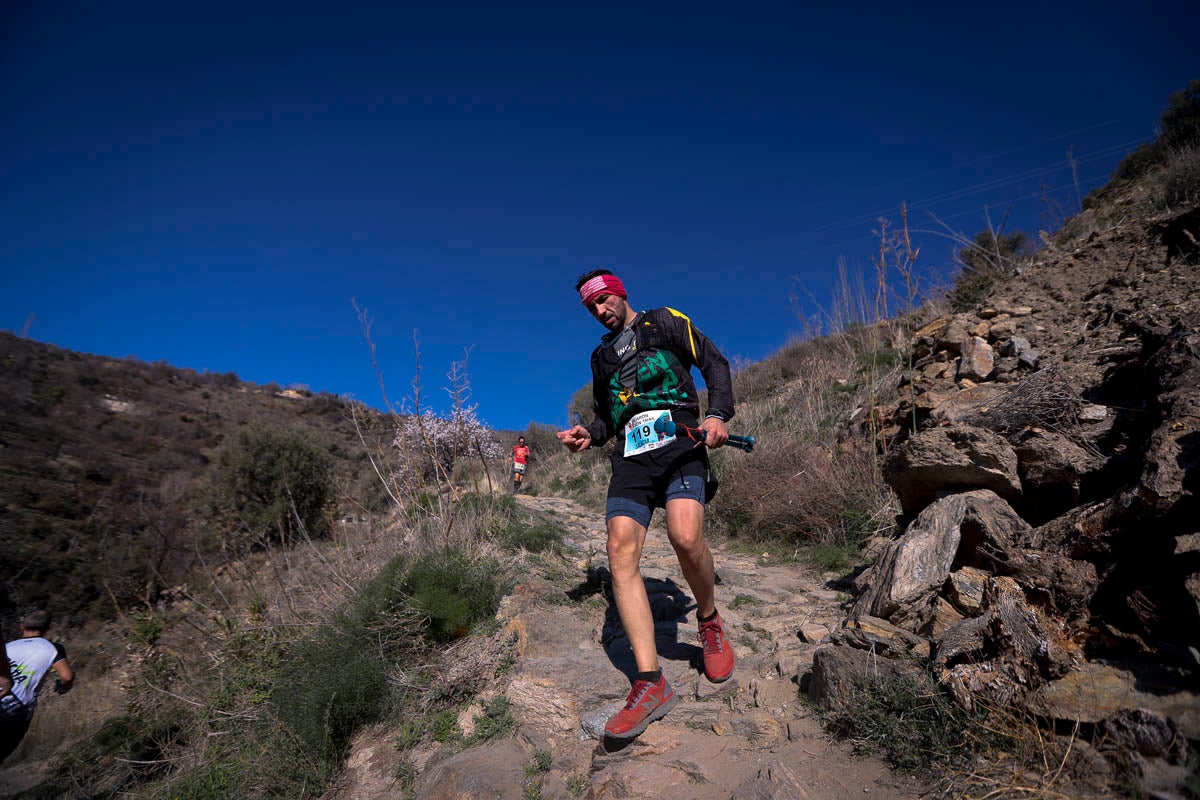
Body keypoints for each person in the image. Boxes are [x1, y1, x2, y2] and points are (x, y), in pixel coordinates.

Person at [556, 269, 736, 741]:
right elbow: (606, 415)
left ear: (620, 292)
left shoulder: (665, 321)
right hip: (631, 459)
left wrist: (717, 414)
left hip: (681, 444)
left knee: (685, 536)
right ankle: (650, 681)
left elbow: (715, 363)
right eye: (590, 308)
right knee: (620, 552)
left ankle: (709, 619)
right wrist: (588, 434)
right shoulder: (600, 358)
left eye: (603, 301)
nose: (600, 311)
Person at [1, 610, 75, 764]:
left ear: (21, 627)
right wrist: (62, 686)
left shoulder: (7, 647)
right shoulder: (52, 648)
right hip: (16, 710)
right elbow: (67, 676)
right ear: (47, 629)